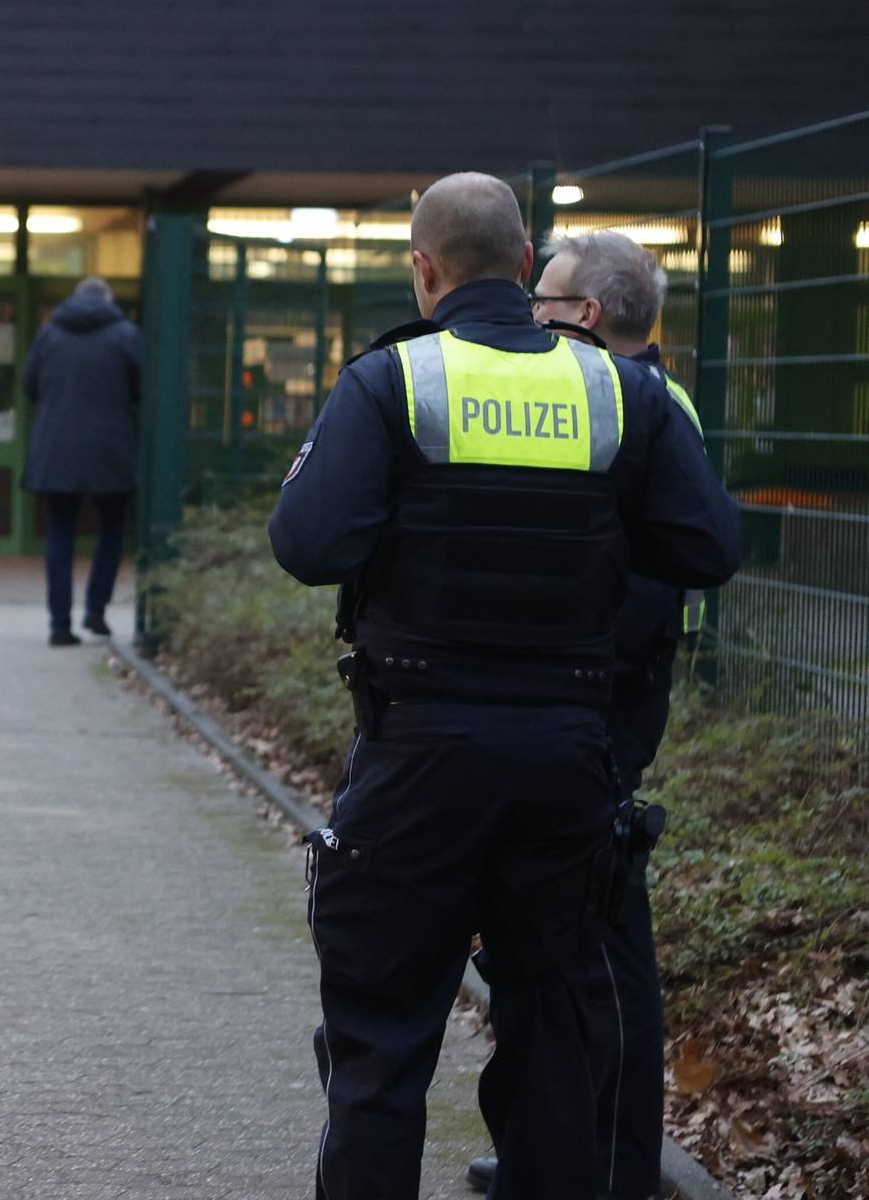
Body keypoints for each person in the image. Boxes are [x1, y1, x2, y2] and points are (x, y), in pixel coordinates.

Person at [269, 174, 740, 1200]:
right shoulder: (620, 391)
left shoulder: (391, 381)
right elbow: (708, 545)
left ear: (424, 271)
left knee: (381, 1050)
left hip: (418, 755)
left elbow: (307, 543)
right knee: (556, 1050)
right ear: (527, 269)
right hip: (567, 761)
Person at [464, 230, 716, 1199]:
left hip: (598, 715)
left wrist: (568, 666)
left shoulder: (653, 410)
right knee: (543, 946)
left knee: (608, 954)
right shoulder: (589, 397)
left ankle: (614, 1167)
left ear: (590, 314)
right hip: (561, 710)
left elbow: (657, 581)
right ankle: (544, 1149)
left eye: (547, 298)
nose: (531, 312)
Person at [21, 276, 142, 646]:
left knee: (59, 533)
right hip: (110, 450)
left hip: (57, 449)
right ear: (107, 300)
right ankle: (96, 610)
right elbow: (143, 389)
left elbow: (29, 386)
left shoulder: (49, 333)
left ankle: (59, 623)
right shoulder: (125, 334)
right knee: (110, 531)